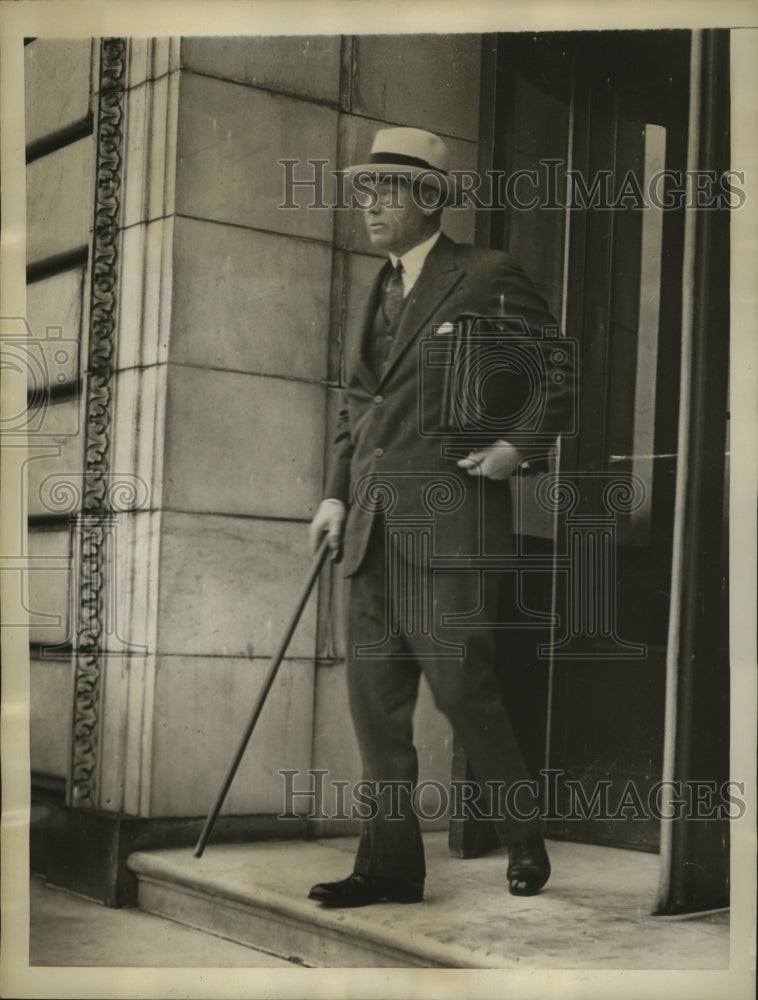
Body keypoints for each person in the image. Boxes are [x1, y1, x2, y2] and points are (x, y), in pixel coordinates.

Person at [307, 127, 575, 907]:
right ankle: (389, 867)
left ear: (430, 198)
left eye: (387, 190)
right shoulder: (373, 288)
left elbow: (556, 373)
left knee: (465, 695)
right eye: (364, 191)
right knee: (376, 712)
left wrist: (513, 450)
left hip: (452, 530)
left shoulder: (486, 274)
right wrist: (332, 495)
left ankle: (525, 838)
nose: (371, 206)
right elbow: (358, 406)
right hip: (369, 536)